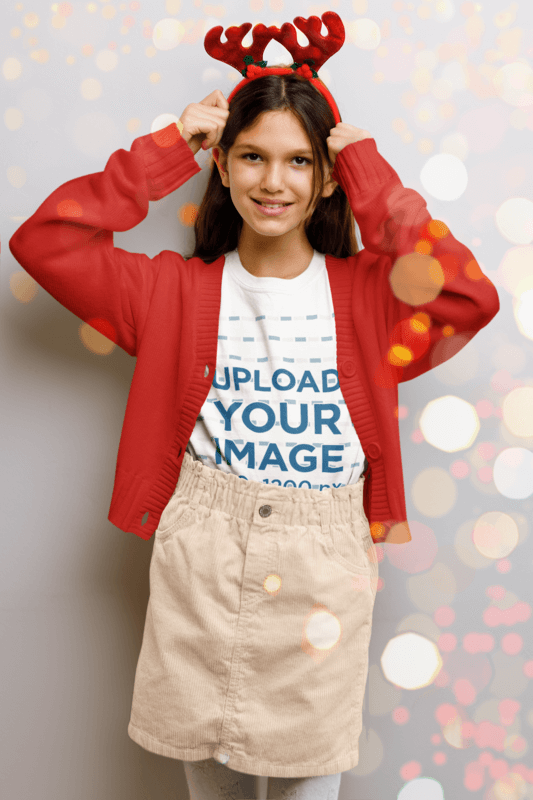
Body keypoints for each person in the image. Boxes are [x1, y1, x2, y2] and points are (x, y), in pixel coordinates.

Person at [9, 12, 499, 800]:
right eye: (253, 158)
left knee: (311, 788)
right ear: (224, 167)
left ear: (326, 176)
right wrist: (166, 148)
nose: (274, 182)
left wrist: (369, 173)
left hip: (324, 562)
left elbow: (469, 297)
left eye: (300, 161)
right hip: (201, 557)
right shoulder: (170, 291)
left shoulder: (371, 298)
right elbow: (46, 242)